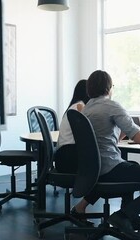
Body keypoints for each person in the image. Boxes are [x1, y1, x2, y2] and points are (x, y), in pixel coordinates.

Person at [77, 70, 140, 239]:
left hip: (92, 169)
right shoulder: (112, 106)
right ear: (109, 88)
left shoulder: (86, 108)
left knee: (134, 168)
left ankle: (128, 214)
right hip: (109, 168)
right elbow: (139, 137)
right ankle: (123, 216)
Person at [53, 79, 92, 218]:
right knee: (103, 170)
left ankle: (81, 206)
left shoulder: (74, 106)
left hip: (63, 156)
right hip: (70, 157)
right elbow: (89, 135)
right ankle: (81, 207)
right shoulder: (80, 107)